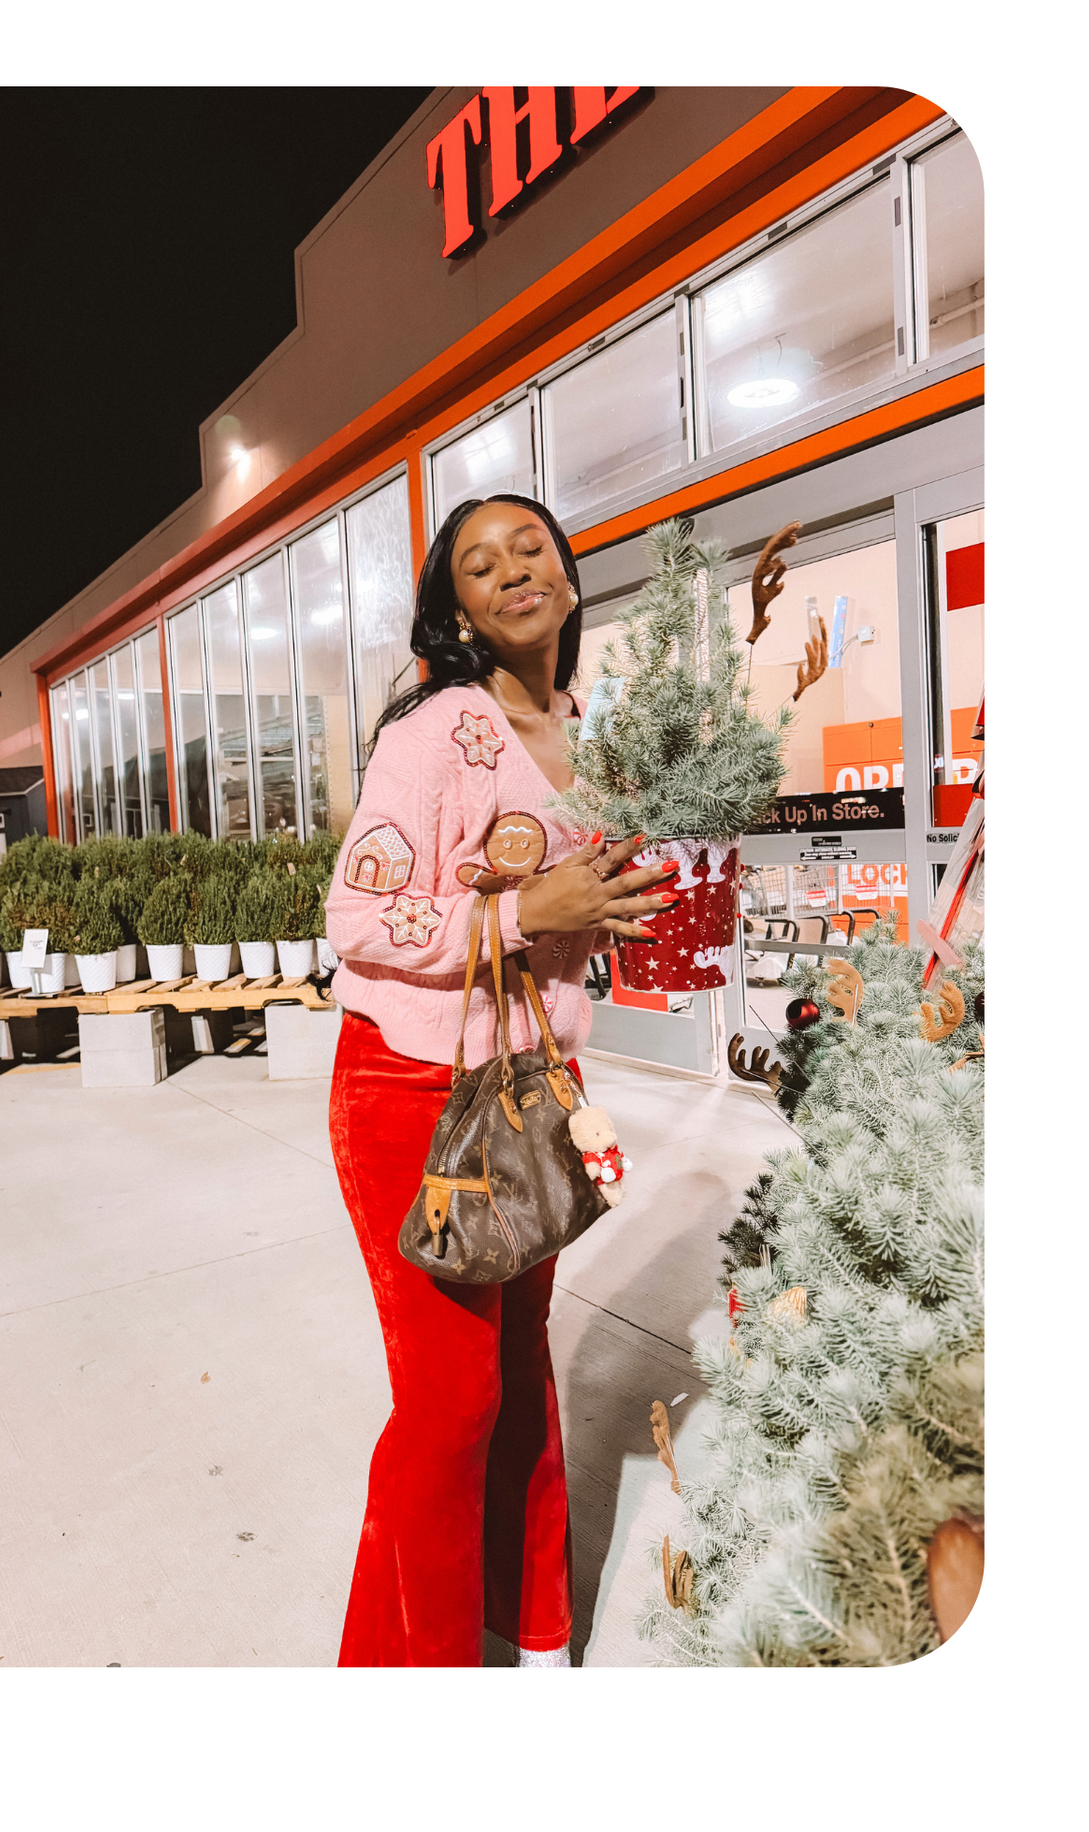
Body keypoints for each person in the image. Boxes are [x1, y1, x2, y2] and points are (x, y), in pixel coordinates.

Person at [324, 493, 680, 1667]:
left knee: (518, 1382)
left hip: (527, 1091)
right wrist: (530, 907)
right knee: (449, 1407)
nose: (512, 568)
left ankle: (523, 1633)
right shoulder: (439, 729)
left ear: (569, 573)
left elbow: (591, 914)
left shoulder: (592, 729)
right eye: (479, 563)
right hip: (411, 1090)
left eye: (530, 545)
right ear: (460, 607)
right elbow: (355, 914)